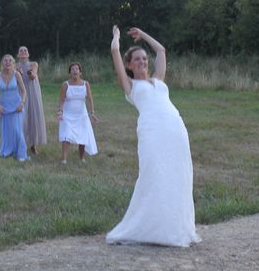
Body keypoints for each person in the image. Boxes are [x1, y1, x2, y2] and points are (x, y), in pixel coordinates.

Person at [106, 26, 200, 247]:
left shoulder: (159, 80)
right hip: (152, 132)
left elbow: (161, 51)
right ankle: (149, 226)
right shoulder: (130, 86)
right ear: (129, 65)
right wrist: (117, 38)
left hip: (175, 129)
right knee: (154, 175)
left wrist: (143, 35)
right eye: (137, 60)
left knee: (178, 175)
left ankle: (174, 227)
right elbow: (114, 52)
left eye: (144, 59)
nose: (142, 62)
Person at [58, 62, 98, 164]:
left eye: (77, 69)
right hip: (68, 114)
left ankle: (82, 158)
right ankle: (64, 159)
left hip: (81, 114)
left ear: (80, 72)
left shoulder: (86, 84)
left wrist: (92, 112)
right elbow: (62, 100)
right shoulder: (65, 84)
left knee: (83, 136)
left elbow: (90, 99)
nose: (75, 71)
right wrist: (60, 112)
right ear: (70, 72)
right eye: (72, 69)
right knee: (66, 135)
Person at [0, 54, 28, 161]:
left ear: (13, 63)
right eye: (5, 61)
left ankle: (21, 153)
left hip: (16, 107)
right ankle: (7, 150)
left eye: (10, 61)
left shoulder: (17, 75)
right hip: (3, 107)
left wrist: (22, 103)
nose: (7, 63)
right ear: (2, 63)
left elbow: (24, 91)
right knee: (6, 130)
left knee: (17, 130)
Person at [16, 46, 47, 154]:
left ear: (28, 54)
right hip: (20, 92)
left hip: (32, 92)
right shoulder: (14, 66)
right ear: (18, 55)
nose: (23, 52)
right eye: (21, 51)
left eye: (25, 50)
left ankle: (33, 145)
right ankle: (21, 143)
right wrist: (18, 73)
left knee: (32, 117)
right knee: (21, 119)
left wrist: (29, 72)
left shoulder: (33, 64)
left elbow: (33, 76)